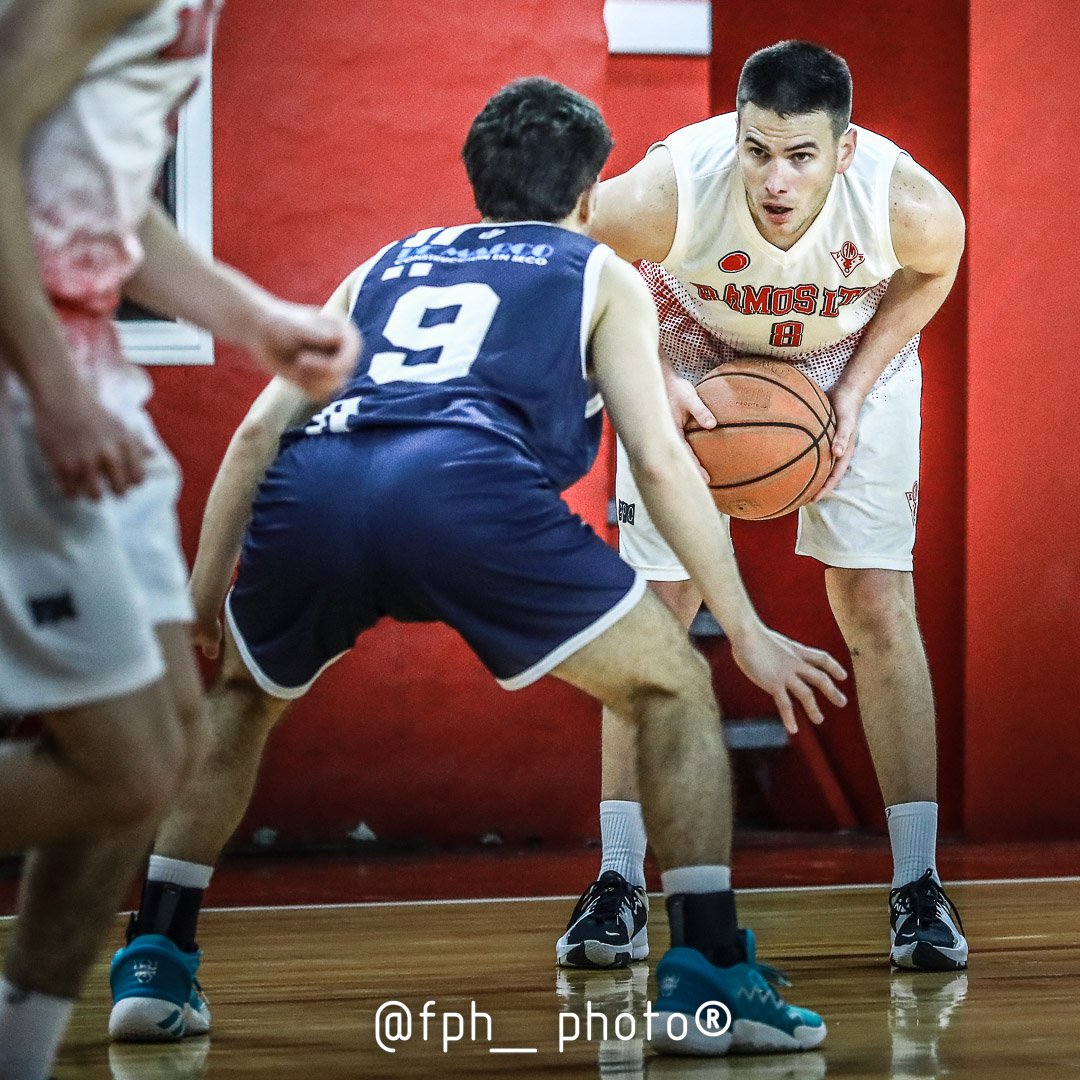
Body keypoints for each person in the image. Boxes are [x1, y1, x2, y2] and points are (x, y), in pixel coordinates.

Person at [109, 77, 847, 1056]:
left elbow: (254, 436)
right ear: (589, 196)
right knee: (671, 686)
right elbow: (663, 460)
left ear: (477, 183)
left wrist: (204, 598)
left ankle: (156, 958)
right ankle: (709, 972)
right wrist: (745, 629)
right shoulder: (595, 269)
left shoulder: (383, 264)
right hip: (465, 484)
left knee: (243, 703)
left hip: (320, 480)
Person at [0, 3, 358, 1077]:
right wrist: (54, 392)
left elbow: (94, 203)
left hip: (83, 348)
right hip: (31, 361)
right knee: (123, 766)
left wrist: (249, 318)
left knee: (160, 759)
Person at [557, 39, 968, 975]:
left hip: (842, 347)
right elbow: (576, 252)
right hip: (692, 334)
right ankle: (618, 883)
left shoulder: (910, 206)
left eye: (801, 155)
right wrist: (652, 371)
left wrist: (855, 393)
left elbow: (934, 271)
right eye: (757, 150)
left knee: (875, 603)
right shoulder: (669, 189)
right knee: (655, 616)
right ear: (734, 135)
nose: (775, 178)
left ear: (846, 148)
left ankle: (918, 886)